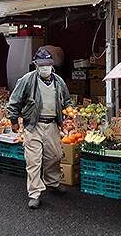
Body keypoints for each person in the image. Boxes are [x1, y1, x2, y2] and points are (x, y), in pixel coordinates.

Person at [7, 47, 72, 210]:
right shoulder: (27, 80)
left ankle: (52, 181)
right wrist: (14, 120)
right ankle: (34, 193)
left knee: (55, 156)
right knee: (33, 160)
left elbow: (67, 100)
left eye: (47, 64)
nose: (45, 68)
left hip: (52, 125)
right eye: (41, 65)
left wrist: (69, 110)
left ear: (52, 65)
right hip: (33, 125)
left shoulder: (58, 81)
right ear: (36, 65)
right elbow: (14, 101)